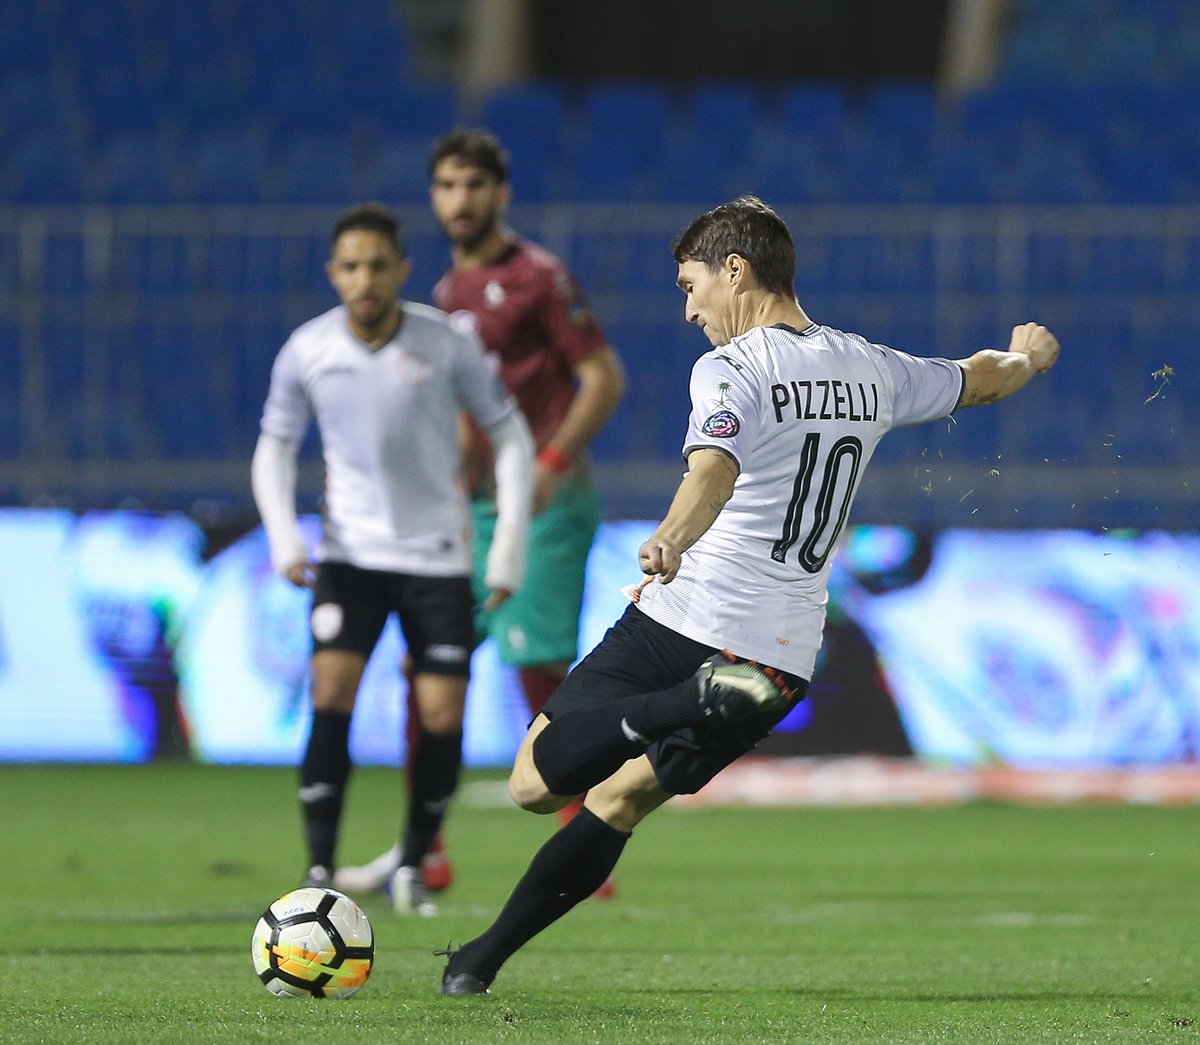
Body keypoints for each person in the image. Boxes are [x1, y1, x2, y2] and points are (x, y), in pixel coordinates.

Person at [435, 195, 1061, 995]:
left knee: (533, 782)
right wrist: (1028, 357)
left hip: (685, 620)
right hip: (779, 655)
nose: (690, 310)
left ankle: (658, 710)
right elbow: (979, 382)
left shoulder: (736, 367)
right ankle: (477, 964)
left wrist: (670, 538)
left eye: (692, 285)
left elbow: (712, 473)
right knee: (621, 800)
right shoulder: (871, 367)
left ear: (736, 269)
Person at [334, 129, 626, 898]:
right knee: (427, 668)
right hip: (470, 512)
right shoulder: (443, 295)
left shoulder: (538, 278)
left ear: (500, 192)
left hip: (545, 508)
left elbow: (601, 377)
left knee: (539, 672)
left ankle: (583, 856)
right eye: (446, 187)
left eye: (472, 185)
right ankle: (421, 852)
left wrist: (552, 464)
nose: (459, 201)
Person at [251, 203, 534, 917]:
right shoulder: (308, 349)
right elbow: (274, 446)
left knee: (441, 710)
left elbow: (511, 437)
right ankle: (318, 862)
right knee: (330, 692)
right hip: (348, 555)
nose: (365, 278)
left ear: (402, 270)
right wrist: (285, 538)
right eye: (351, 265)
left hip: (437, 556)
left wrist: (505, 548)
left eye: (378, 264)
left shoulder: (446, 343)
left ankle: (413, 862)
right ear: (334, 273)